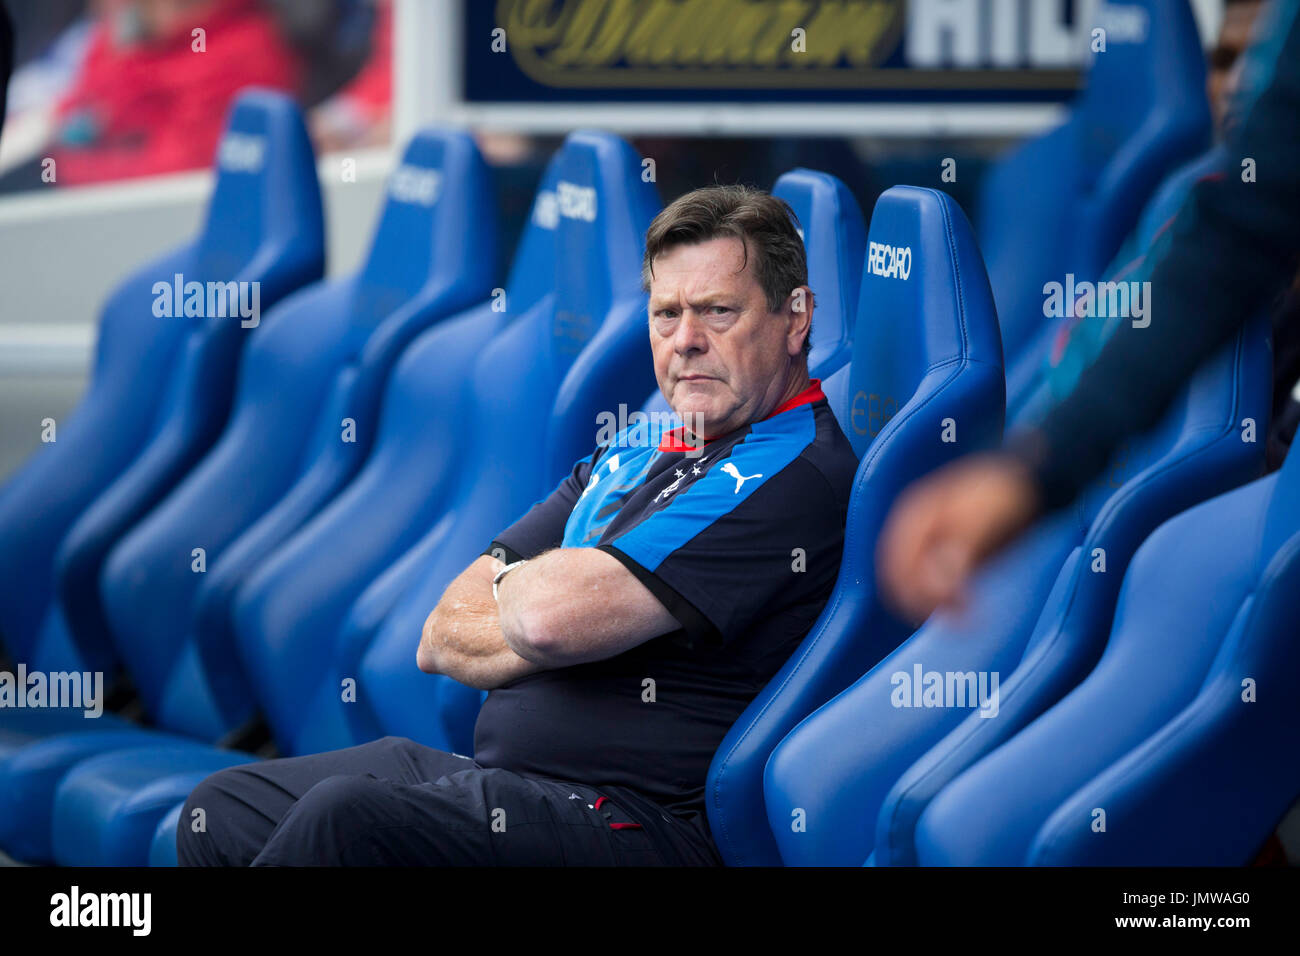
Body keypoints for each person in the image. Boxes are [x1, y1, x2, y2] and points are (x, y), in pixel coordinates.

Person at [178, 184, 859, 866]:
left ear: (795, 319)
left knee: (344, 820)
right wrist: (557, 605)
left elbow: (543, 621)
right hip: (513, 786)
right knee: (223, 809)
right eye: (666, 314)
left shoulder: (791, 472)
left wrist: (543, 609)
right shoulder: (642, 445)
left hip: (631, 822)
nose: (686, 341)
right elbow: (440, 632)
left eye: (717, 311)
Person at [878, 0, 1300, 625]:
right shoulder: (1192, 226)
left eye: (1259, 60)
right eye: (1227, 59)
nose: (1246, 84)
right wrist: (1032, 474)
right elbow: (1236, 237)